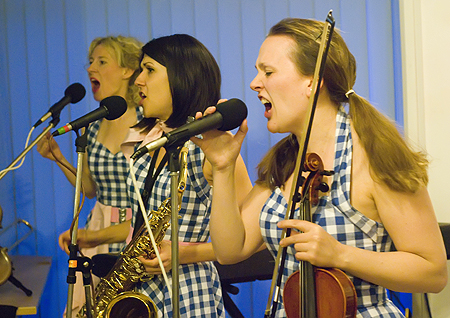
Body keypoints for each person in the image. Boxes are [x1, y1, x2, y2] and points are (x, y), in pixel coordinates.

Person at [194, 18, 448, 317]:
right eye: (257, 72)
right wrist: (223, 168)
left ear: (312, 82)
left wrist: (340, 255)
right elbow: (230, 249)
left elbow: (432, 272)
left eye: (269, 72)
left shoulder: (374, 156)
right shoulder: (286, 160)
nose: (255, 83)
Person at [119, 34, 252, 317]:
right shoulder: (151, 138)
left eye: (150, 69)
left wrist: (182, 254)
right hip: (140, 292)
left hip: (187, 293)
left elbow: (250, 237)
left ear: (183, 77)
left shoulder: (211, 147)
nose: (138, 80)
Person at [36, 35, 143, 314]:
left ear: (127, 71)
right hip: (98, 230)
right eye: (91, 61)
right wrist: (57, 157)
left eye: (102, 61)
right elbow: (90, 189)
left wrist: (93, 236)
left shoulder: (147, 124)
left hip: (134, 234)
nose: (90, 68)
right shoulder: (94, 126)